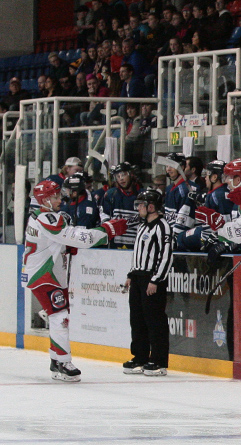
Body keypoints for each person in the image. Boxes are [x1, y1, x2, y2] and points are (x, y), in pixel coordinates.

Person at [23, 179, 127, 381]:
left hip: (47, 273)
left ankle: (56, 359)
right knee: (59, 316)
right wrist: (107, 230)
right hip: (45, 275)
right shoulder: (48, 219)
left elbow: (61, 240)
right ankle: (62, 362)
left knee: (59, 314)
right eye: (54, 196)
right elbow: (77, 237)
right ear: (44, 200)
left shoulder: (41, 216)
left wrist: (63, 246)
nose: (59, 199)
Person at [123, 188, 174, 377]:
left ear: (151, 206)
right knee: (137, 319)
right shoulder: (142, 226)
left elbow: (166, 256)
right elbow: (137, 253)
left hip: (152, 279)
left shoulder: (163, 227)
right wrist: (131, 274)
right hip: (138, 278)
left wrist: (156, 280)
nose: (139, 208)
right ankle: (140, 357)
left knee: (155, 320)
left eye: (142, 205)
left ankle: (159, 360)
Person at [101, 163, 141, 248]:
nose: (121, 179)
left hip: (137, 245)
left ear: (131, 174)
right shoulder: (110, 194)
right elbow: (104, 214)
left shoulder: (142, 195)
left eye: (123, 175)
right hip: (115, 244)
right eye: (118, 176)